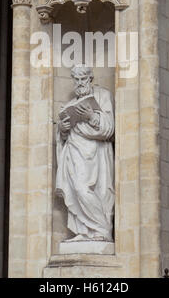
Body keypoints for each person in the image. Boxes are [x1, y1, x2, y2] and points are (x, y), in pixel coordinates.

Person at [56, 65, 115, 242]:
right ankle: (83, 230)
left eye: (83, 79)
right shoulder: (70, 104)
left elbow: (109, 128)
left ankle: (101, 229)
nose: (80, 83)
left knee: (86, 190)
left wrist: (91, 116)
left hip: (96, 155)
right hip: (74, 153)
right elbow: (63, 136)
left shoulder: (103, 96)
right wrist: (62, 129)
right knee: (77, 190)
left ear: (91, 79)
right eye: (77, 79)